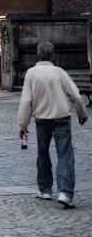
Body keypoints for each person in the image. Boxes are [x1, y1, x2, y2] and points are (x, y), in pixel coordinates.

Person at [18, 40, 88, 208]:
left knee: (43, 155)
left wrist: (23, 125)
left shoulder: (31, 73)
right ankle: (65, 193)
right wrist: (81, 113)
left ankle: (45, 190)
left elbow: (26, 101)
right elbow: (76, 95)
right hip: (61, 118)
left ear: (37, 55)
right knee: (65, 155)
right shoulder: (59, 72)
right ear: (53, 56)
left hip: (41, 119)